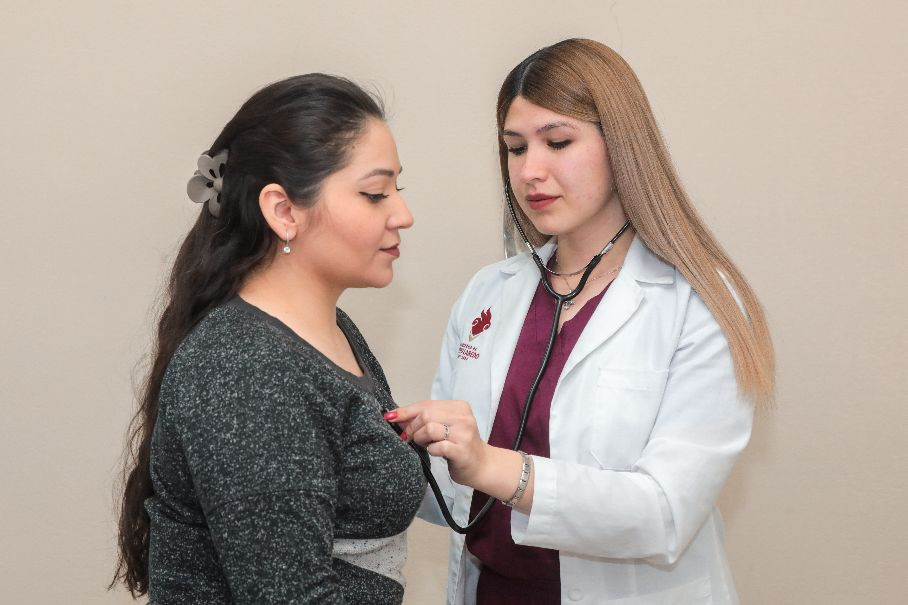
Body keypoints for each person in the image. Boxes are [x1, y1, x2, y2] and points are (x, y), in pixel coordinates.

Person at [388, 39, 775, 604]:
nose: (530, 170)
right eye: (515, 148)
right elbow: (456, 487)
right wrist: (368, 451)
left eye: (558, 142)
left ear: (622, 146)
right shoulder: (489, 293)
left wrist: (492, 465)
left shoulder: (699, 303)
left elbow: (663, 515)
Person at [112, 73, 424, 604]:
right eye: (374, 194)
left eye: (398, 190)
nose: (403, 215)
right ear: (283, 211)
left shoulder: (329, 331)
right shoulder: (247, 369)